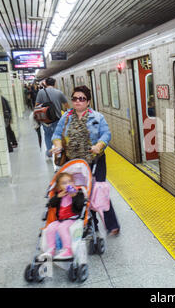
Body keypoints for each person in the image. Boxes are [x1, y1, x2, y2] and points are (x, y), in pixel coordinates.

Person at [51, 85, 120, 236]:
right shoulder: (66, 117)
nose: (77, 102)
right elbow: (56, 134)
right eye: (75, 99)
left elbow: (106, 134)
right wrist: (57, 146)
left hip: (95, 161)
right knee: (79, 193)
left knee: (98, 190)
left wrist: (99, 145)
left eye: (81, 99)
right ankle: (90, 223)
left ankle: (111, 224)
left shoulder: (97, 117)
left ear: (88, 101)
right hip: (74, 163)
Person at [41, 172, 84, 260]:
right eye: (64, 183)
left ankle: (68, 249)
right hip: (60, 220)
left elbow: (80, 207)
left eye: (70, 181)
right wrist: (57, 197)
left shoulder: (78, 194)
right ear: (59, 187)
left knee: (62, 227)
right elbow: (51, 204)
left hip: (73, 219)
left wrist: (74, 196)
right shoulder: (59, 194)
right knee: (50, 227)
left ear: (74, 183)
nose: (68, 184)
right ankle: (51, 249)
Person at [35, 77, 69, 158]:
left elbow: (36, 105)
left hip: (45, 119)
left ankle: (49, 152)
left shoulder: (41, 92)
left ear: (46, 83)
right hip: (57, 119)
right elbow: (66, 105)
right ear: (55, 83)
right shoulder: (59, 92)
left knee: (47, 135)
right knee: (58, 135)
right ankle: (59, 152)